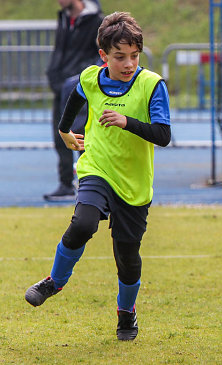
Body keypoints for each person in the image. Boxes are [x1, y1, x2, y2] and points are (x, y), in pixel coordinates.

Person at [25, 12, 171, 342]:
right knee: (82, 223)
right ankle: (54, 281)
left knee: (127, 257)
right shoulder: (92, 77)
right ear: (104, 55)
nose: (129, 63)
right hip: (97, 168)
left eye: (134, 56)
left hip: (133, 184)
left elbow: (163, 135)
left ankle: (126, 314)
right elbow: (75, 97)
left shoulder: (151, 85)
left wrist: (126, 121)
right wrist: (64, 131)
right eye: (120, 57)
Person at [44, 0, 103, 201]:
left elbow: (99, 57)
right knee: (60, 134)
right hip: (60, 86)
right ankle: (65, 183)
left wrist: (80, 80)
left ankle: (88, 182)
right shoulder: (63, 18)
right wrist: (53, 76)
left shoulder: (96, 22)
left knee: (80, 134)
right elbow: (59, 53)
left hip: (80, 88)